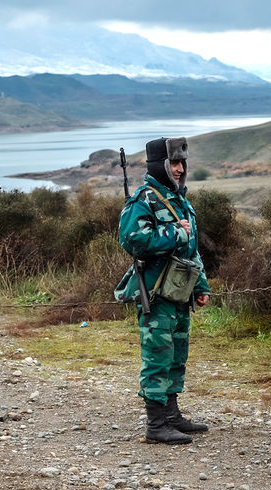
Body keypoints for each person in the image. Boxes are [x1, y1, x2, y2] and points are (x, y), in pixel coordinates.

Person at [114, 137, 211, 445]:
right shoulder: (145, 198)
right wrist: (174, 232)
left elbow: (191, 249)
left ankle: (172, 415)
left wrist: (201, 285)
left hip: (179, 292)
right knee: (158, 355)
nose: (180, 169)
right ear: (160, 165)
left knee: (176, 353)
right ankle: (156, 424)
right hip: (156, 293)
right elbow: (132, 239)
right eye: (174, 163)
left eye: (182, 163)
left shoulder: (180, 199)